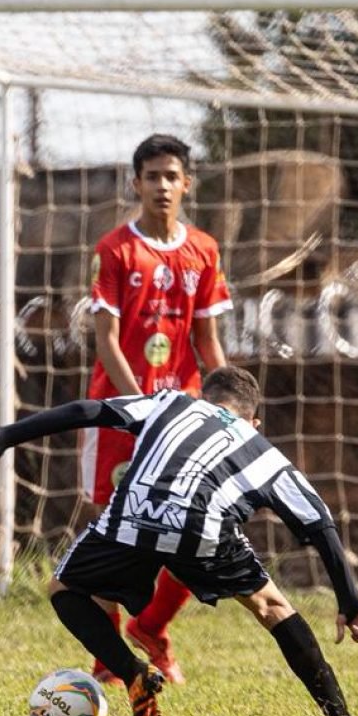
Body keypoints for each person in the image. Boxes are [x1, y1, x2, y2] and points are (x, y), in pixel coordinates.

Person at [0, 365, 358, 716]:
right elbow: (318, 522)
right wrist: (350, 601)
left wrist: (0, 438)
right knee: (272, 607)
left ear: (205, 398)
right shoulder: (262, 450)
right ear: (254, 421)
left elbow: (86, 410)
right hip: (202, 531)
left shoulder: (171, 403)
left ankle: (133, 673)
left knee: (65, 590)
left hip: (133, 519)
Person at [81, 132, 232, 685]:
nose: (162, 186)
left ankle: (152, 626)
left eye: (172, 176)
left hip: (182, 411)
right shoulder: (115, 250)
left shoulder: (205, 250)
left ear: (187, 183)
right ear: (136, 183)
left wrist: (229, 403)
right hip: (119, 414)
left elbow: (207, 339)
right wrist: (140, 408)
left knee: (200, 524)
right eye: (152, 177)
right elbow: (106, 340)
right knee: (107, 531)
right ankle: (107, 661)